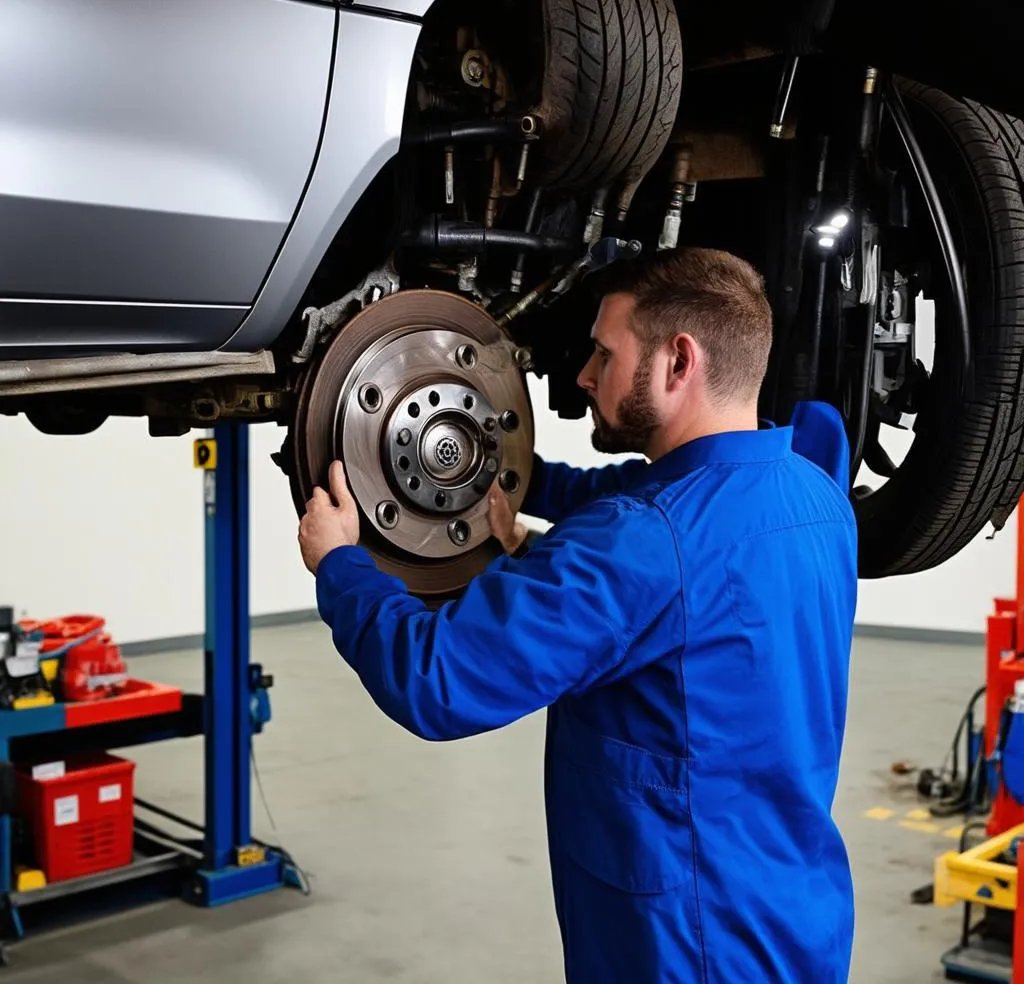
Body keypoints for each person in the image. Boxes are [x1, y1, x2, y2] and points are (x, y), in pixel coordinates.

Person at [297, 247, 857, 983]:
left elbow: (436, 680)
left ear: (678, 362)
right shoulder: (814, 492)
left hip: (685, 942)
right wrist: (505, 480)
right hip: (794, 911)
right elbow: (658, 523)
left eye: (604, 353)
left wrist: (340, 566)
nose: (584, 376)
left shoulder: (642, 544)